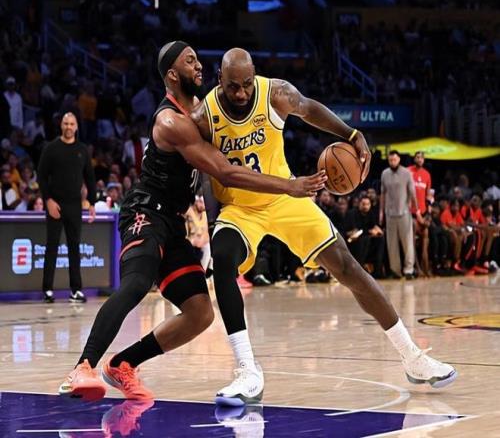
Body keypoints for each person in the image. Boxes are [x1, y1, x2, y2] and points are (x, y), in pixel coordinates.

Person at [58, 41, 326, 402]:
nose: (199, 66)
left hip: (173, 221)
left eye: (198, 59)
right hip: (145, 212)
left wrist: (216, 228)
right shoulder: (171, 121)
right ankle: (82, 367)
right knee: (137, 283)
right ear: (172, 74)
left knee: (200, 313)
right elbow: (224, 171)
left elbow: (215, 176)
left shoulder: (202, 111)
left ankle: (123, 364)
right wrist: (289, 186)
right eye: (190, 61)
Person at [191, 48, 457, 406]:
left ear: (255, 77)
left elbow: (308, 108)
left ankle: (413, 356)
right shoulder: (204, 116)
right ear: (219, 80)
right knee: (222, 259)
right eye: (232, 86)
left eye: (246, 85)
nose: (240, 93)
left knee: (347, 266)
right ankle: (247, 371)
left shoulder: (275, 94)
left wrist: (351, 133)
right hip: (241, 208)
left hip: (286, 198)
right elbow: (209, 172)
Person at [37, 112, 96, 303]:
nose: (68, 127)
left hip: (74, 205)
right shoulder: (51, 148)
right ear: (61, 125)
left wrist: (92, 203)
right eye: (65, 123)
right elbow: (41, 176)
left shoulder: (82, 150)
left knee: (74, 247)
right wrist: (48, 200)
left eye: (71, 124)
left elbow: (90, 178)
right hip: (55, 203)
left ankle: (76, 290)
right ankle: (47, 290)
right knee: (51, 246)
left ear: (76, 127)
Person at [380, 150, 418, 279]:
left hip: (404, 212)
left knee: (407, 242)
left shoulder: (406, 173)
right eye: (390, 160)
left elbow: (412, 193)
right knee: (392, 244)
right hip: (390, 213)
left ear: (399, 159)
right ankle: (395, 270)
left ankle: (409, 270)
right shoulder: (385, 173)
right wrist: (381, 212)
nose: (392, 162)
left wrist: (416, 210)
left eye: (394, 160)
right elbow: (382, 194)